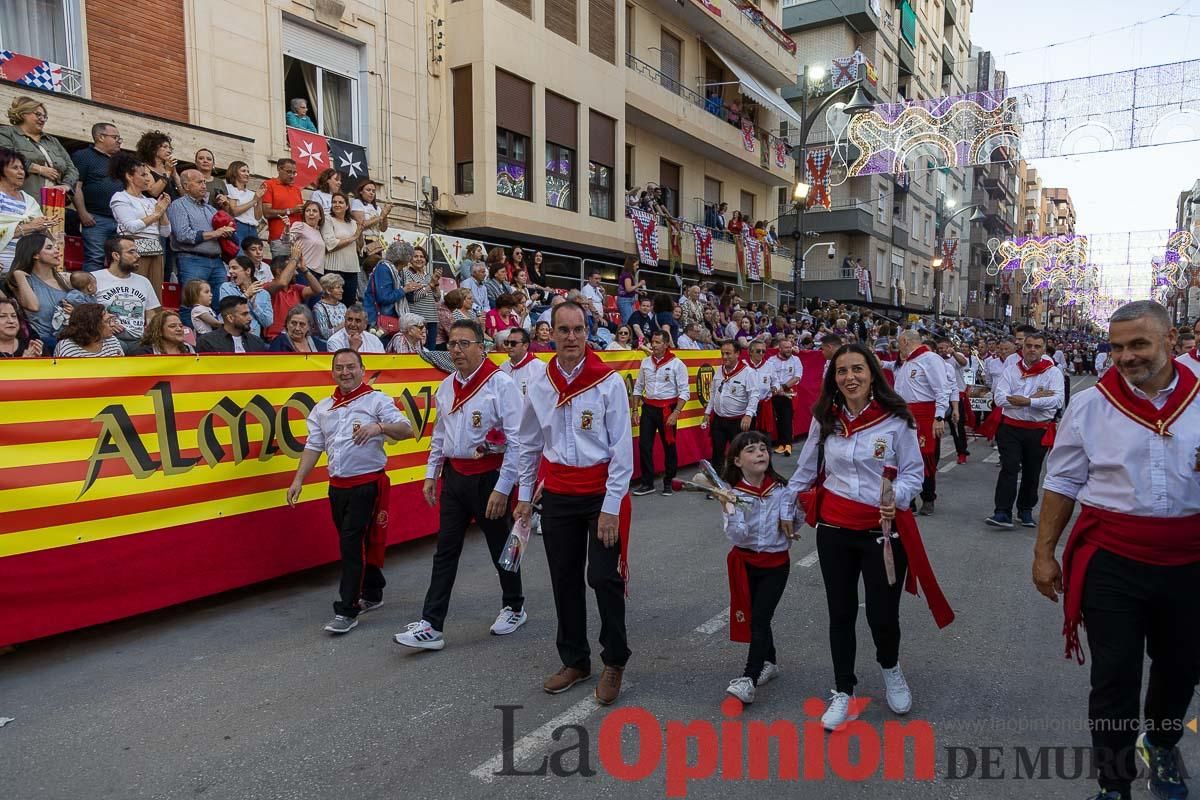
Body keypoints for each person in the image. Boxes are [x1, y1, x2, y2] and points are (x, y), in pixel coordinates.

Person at [1033, 301, 1200, 800]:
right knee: (1114, 677)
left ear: (1172, 341)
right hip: (1112, 561)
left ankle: (1163, 743)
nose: (1125, 357)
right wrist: (1044, 552)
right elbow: (1062, 481)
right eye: (1117, 346)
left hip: (1190, 561)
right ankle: (1114, 784)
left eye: (1138, 344)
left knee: (1180, 669)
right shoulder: (1090, 404)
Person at [789, 343, 954, 730]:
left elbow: (914, 473)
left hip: (883, 531)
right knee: (841, 612)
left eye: (857, 369)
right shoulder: (824, 417)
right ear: (834, 378)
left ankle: (891, 667)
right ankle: (843, 689)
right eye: (842, 371)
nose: (850, 378)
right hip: (833, 530)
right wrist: (788, 514)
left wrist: (894, 497)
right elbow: (805, 469)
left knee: (882, 613)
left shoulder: (897, 419)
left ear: (873, 373)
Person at [514, 301, 634, 705]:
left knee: (603, 577)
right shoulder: (540, 383)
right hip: (560, 493)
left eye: (577, 330)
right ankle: (576, 661)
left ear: (588, 332)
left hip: (601, 492)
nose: (570, 337)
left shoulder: (608, 382)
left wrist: (611, 507)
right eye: (562, 330)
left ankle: (614, 661)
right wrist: (524, 497)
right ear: (550, 333)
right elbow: (529, 443)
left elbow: (622, 451)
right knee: (563, 579)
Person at [395, 319, 527, 650]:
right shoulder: (446, 386)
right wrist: (431, 473)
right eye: (452, 344)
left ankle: (514, 605)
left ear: (481, 347)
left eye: (463, 343)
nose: (456, 350)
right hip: (455, 478)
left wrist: (503, 487)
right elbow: (440, 435)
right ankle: (432, 624)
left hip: (489, 478)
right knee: (446, 551)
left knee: (501, 545)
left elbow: (518, 441)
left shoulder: (501, 384)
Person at [287, 349, 414, 633]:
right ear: (332, 372)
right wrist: (298, 480)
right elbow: (313, 446)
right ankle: (373, 591)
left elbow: (406, 429)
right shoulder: (322, 408)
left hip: (367, 485)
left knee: (351, 545)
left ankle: (347, 609)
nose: (345, 373)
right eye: (339, 368)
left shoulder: (376, 400)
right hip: (338, 487)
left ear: (362, 368)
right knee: (359, 542)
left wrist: (378, 426)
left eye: (351, 367)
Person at [720, 431, 797, 704]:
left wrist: (791, 519)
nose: (760, 453)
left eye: (763, 448)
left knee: (760, 618)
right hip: (746, 562)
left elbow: (795, 524)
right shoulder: (733, 493)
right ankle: (770, 662)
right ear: (737, 461)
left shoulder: (783, 490)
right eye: (751, 450)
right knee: (757, 616)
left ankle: (748, 679)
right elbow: (738, 537)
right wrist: (730, 508)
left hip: (776, 564)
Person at [983, 331, 1063, 529]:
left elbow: (1056, 401)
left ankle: (1025, 509)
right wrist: (1036, 400)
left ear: (1044, 349)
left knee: (1032, 471)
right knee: (1009, 468)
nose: (1032, 350)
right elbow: (999, 399)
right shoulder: (1011, 370)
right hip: (1011, 427)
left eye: (1037, 346)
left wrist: (1027, 400)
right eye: (1029, 346)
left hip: (1038, 429)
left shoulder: (1053, 372)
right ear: (1023, 348)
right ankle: (1002, 512)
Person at [882, 330, 949, 515]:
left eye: (899, 343)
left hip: (925, 415)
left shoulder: (930, 359)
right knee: (903, 457)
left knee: (925, 457)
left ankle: (928, 498)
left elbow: (942, 389)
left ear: (904, 341)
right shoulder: (907, 362)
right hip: (905, 414)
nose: (898, 347)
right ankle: (907, 499)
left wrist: (939, 417)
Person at [631, 330, 690, 497]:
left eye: (657, 342)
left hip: (668, 409)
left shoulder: (678, 364)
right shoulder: (645, 363)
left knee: (669, 445)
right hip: (649, 408)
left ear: (666, 344)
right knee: (644, 445)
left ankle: (669, 480)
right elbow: (638, 387)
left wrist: (676, 412)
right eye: (652, 342)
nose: (653, 345)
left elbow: (685, 391)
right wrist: (635, 409)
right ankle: (647, 483)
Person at [108, 152, 170, 298]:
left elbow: (166, 232)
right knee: (135, 289)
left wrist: (163, 210)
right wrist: (156, 214)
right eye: (143, 175)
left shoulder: (151, 201)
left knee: (155, 292)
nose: (148, 178)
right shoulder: (120, 197)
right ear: (130, 176)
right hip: (133, 244)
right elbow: (131, 226)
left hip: (155, 246)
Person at [168, 169, 234, 301]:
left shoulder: (210, 208)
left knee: (222, 302)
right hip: (192, 260)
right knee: (193, 302)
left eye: (204, 182)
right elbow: (182, 235)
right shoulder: (178, 206)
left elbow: (224, 229)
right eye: (199, 182)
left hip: (216, 260)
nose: (204, 185)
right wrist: (215, 233)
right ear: (186, 186)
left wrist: (226, 230)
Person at [93, 235, 161, 350]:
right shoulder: (94, 278)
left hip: (139, 341)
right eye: (131, 252)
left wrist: (150, 332)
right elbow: (85, 312)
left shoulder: (144, 282)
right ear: (116, 256)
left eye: (137, 252)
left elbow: (150, 313)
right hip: (107, 339)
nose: (138, 256)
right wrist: (102, 325)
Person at [702, 341, 764, 467]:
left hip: (739, 421)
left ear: (737, 354)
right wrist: (708, 412)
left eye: (728, 354)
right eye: (722, 353)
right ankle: (718, 483)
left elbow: (754, 395)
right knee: (717, 453)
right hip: (719, 420)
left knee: (742, 454)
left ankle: (744, 482)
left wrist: (748, 415)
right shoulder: (719, 370)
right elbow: (713, 392)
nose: (724, 357)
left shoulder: (748, 372)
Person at [0, 96, 77, 197]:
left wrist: (66, 185)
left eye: (45, 117)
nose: (42, 119)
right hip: (19, 200)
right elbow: (5, 158)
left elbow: (72, 168)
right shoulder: (6, 133)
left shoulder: (53, 141)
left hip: (54, 202)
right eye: (38, 115)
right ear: (23, 114)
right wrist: (39, 169)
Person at [4, 232, 69, 346]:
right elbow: (33, 306)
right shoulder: (22, 280)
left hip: (70, 340)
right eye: (49, 248)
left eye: (55, 247)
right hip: (43, 342)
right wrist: (18, 275)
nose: (56, 251)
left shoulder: (66, 279)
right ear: (35, 254)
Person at [0, 147, 51, 271]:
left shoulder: (29, 200)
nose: (21, 172)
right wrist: (30, 227)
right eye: (15, 168)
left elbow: (39, 233)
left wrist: (46, 228)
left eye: (22, 168)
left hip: (27, 267)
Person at [321, 191, 362, 302]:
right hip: (333, 268)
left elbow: (359, 247)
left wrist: (360, 234)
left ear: (347, 206)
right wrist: (353, 237)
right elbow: (330, 244)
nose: (337, 204)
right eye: (334, 202)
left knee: (349, 302)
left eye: (340, 202)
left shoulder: (353, 223)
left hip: (352, 268)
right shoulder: (328, 219)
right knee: (332, 301)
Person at [219, 255, 273, 338]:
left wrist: (254, 306)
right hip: (229, 337)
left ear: (247, 271)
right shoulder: (226, 287)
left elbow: (268, 322)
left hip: (252, 339)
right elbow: (226, 311)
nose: (230, 271)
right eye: (229, 268)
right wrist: (246, 295)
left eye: (234, 268)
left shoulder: (263, 294)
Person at [364, 239, 412, 328]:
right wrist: (404, 290)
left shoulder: (397, 271)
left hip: (390, 318)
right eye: (405, 263)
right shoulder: (384, 269)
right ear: (401, 260)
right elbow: (384, 297)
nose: (406, 265)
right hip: (377, 320)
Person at [936, 337, 969, 464]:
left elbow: (963, 363)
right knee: (938, 427)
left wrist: (953, 353)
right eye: (939, 348)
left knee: (957, 427)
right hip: (941, 397)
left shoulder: (957, 355)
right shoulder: (936, 359)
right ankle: (935, 459)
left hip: (956, 396)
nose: (941, 350)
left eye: (943, 347)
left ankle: (962, 453)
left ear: (949, 346)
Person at [196, 296, 268, 353]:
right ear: (230, 318)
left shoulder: (257, 342)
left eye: (249, 313)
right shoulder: (207, 342)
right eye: (244, 314)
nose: (250, 318)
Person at [403, 245, 443, 348]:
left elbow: (437, 297)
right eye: (415, 256)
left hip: (432, 319)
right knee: (417, 349)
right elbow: (413, 298)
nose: (419, 259)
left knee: (431, 350)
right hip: (417, 320)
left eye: (422, 257)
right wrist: (430, 285)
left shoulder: (428, 275)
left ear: (426, 260)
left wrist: (436, 282)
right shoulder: (407, 273)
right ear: (410, 259)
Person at [769, 336, 803, 455]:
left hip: (790, 393)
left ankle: (788, 444)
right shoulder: (771, 361)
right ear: (780, 348)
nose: (789, 350)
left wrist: (783, 388)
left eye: (790, 347)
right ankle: (781, 444)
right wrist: (777, 389)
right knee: (778, 419)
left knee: (787, 418)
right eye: (786, 348)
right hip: (775, 393)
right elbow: (770, 376)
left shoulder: (796, 360)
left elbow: (797, 376)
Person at [52, 304, 125, 358]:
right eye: (107, 321)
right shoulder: (67, 348)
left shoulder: (113, 341)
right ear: (91, 326)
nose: (113, 324)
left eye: (112, 320)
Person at [223, 160, 266, 245]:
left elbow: (257, 217)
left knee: (252, 257)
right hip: (238, 226)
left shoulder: (251, 193)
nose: (247, 174)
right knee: (239, 256)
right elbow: (234, 211)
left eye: (248, 171)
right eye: (243, 171)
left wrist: (259, 198)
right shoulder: (229, 188)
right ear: (234, 173)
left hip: (252, 229)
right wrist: (254, 200)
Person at [261, 159, 304, 242]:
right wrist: (290, 211)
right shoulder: (269, 184)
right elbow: (267, 212)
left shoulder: (296, 189)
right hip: (279, 238)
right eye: (288, 172)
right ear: (279, 169)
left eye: (294, 173)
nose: (292, 176)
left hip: (298, 239)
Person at [135, 130, 182, 203]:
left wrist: (175, 174)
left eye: (169, 148)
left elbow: (183, 193)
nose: (169, 151)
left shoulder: (168, 167)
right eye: (165, 147)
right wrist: (167, 172)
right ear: (153, 149)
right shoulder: (145, 168)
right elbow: (154, 192)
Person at [499, 326, 547, 397]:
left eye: (513, 343)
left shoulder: (539, 368)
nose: (509, 346)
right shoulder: (502, 368)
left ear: (525, 346)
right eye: (507, 343)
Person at [288, 201, 327, 278]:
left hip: (318, 273)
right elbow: (286, 240)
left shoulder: (320, 231)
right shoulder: (300, 225)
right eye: (307, 211)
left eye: (314, 211)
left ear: (320, 216)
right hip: (303, 270)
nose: (311, 213)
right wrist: (286, 230)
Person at [131, 308, 195, 355]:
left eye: (181, 326)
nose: (179, 329)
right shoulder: (145, 352)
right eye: (172, 326)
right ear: (159, 331)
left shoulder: (188, 349)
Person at [314, 272, 348, 340]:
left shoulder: (343, 306)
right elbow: (325, 334)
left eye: (341, 287)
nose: (342, 290)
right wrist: (343, 325)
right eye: (338, 287)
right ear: (328, 290)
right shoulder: (319, 308)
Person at [616, 257, 643, 323]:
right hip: (625, 301)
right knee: (627, 321)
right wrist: (640, 284)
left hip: (627, 300)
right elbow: (628, 289)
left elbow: (626, 288)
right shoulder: (627, 275)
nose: (637, 267)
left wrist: (637, 292)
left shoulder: (626, 274)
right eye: (636, 265)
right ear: (631, 264)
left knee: (628, 321)